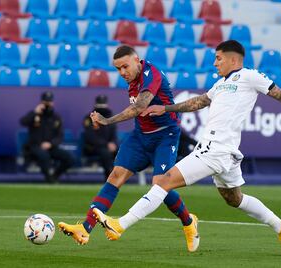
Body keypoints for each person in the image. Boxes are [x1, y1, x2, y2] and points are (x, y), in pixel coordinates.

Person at [91, 40, 281, 256]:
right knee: (234, 199)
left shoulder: (250, 76)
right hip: (225, 152)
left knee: (162, 181)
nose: (214, 63)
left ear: (234, 59)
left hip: (217, 149)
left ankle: (120, 224)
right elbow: (197, 102)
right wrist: (166, 109)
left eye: (218, 58)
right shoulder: (220, 85)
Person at [58, 45, 200, 252]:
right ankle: (85, 228)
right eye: (118, 69)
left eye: (125, 66)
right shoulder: (132, 80)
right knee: (116, 175)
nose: (122, 72)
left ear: (137, 60)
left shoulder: (151, 74)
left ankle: (188, 221)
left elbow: (139, 107)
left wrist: (107, 121)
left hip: (164, 137)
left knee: (160, 185)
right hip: (140, 136)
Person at [20, 91, 75, 183]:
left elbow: (60, 136)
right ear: (41, 103)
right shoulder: (34, 114)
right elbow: (23, 122)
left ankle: (55, 175)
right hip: (34, 146)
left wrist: (51, 144)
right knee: (44, 156)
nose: (47, 105)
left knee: (70, 158)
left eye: (49, 102)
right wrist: (34, 112)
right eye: (45, 102)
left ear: (53, 103)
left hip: (50, 146)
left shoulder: (56, 117)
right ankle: (48, 178)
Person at [83, 95, 118, 180]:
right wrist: (106, 144)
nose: (101, 107)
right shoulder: (89, 118)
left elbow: (113, 134)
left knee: (121, 151)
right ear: (95, 105)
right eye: (99, 105)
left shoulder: (111, 117)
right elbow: (90, 137)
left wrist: (113, 143)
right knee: (105, 153)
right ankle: (109, 178)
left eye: (103, 105)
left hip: (108, 146)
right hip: (93, 147)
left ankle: (120, 175)